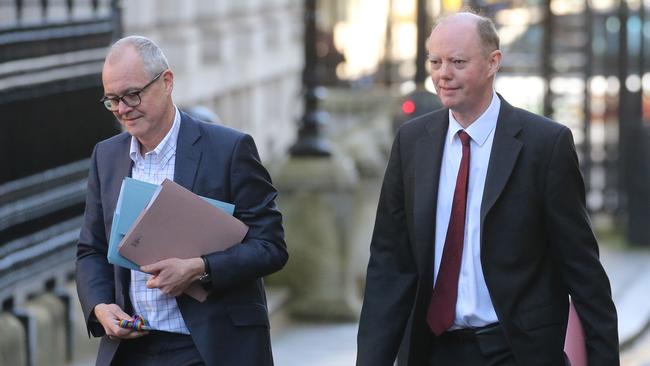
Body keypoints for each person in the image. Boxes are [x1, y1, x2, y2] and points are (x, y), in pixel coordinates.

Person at [357, 11, 618, 366]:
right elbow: (390, 262)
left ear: (493, 62)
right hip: (432, 351)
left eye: (457, 62)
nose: (443, 74)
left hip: (516, 351)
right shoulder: (411, 142)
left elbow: (582, 271)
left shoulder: (545, 145)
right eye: (435, 61)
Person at [75, 36, 287, 366]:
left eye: (132, 94)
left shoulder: (229, 149)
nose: (122, 109)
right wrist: (100, 306)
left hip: (209, 348)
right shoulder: (107, 156)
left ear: (167, 82)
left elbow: (271, 246)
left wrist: (200, 268)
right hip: (132, 349)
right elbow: (91, 249)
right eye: (112, 100)